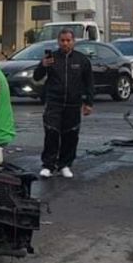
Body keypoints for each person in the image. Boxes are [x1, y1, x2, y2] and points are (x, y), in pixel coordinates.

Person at [34, 29, 94, 179]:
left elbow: (89, 83)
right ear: (58, 42)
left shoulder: (82, 60)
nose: (65, 43)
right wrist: (43, 65)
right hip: (54, 102)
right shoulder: (51, 57)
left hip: (73, 104)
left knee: (71, 135)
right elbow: (37, 76)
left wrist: (88, 103)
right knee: (51, 132)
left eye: (68, 40)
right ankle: (48, 165)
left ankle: (65, 165)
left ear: (73, 41)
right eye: (62, 40)